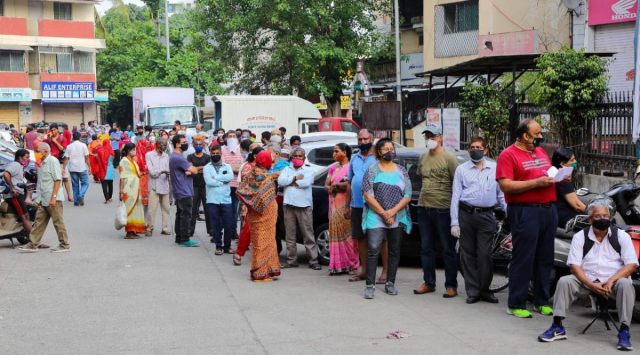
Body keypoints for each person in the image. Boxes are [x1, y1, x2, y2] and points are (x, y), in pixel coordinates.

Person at [538, 199, 638, 351]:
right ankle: (557, 326)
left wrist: (611, 280)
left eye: (605, 215)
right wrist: (591, 285)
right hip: (586, 280)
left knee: (626, 284)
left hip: (614, 281)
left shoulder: (622, 236)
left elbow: (631, 265)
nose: (602, 219)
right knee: (565, 281)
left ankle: (624, 331)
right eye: (597, 216)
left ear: (610, 218)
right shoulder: (580, 237)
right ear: (590, 219)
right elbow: (574, 266)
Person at [496, 118, 558, 318]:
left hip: (548, 210)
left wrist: (557, 176)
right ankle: (516, 303)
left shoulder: (539, 151)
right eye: (537, 133)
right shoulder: (508, 155)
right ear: (525, 136)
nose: (541, 137)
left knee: (545, 257)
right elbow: (506, 185)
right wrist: (536, 183)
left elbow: (545, 172)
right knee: (524, 258)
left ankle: (541, 300)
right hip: (525, 211)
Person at [450, 136, 507, 304]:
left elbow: (502, 195)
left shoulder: (495, 168)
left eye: (479, 147)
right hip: (466, 214)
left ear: (486, 150)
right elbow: (455, 196)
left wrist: (509, 212)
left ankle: (485, 289)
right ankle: (473, 291)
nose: (475, 150)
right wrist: (454, 222)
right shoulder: (461, 169)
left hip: (487, 216)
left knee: (485, 254)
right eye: (472, 147)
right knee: (467, 254)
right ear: (469, 150)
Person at [361, 138, 412, 299]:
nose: (390, 151)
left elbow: (408, 195)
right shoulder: (372, 170)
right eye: (385, 149)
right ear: (379, 152)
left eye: (392, 148)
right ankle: (370, 286)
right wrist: (384, 213)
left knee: (394, 251)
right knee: (373, 249)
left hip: (397, 215)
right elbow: (368, 195)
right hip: (375, 216)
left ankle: (391, 283)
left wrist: (392, 212)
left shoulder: (401, 170)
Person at [414, 124, 459, 298]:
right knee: (426, 248)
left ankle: (451, 285)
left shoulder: (449, 158)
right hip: (424, 207)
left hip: (443, 208)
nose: (430, 140)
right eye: (427, 137)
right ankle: (429, 282)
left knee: (448, 249)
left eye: (433, 136)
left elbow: (457, 184)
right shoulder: (423, 157)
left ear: (440, 137)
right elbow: (419, 178)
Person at [237, 150, 281, 281]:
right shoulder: (263, 176)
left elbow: (242, 191)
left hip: (257, 213)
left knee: (265, 240)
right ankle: (260, 272)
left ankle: (271, 268)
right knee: (262, 241)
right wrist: (275, 175)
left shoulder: (253, 173)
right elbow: (262, 186)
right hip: (264, 212)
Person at [18, 143, 70, 253]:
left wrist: (54, 197)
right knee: (39, 222)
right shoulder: (41, 163)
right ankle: (33, 244)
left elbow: (57, 180)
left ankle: (64, 245)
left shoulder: (53, 161)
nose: (36, 153)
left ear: (46, 151)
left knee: (58, 222)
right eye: (35, 151)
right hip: (43, 198)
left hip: (53, 198)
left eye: (38, 151)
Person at [348, 129, 384, 282]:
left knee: (381, 240)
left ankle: (385, 272)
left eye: (365, 139)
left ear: (372, 138)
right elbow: (351, 181)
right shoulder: (354, 158)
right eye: (360, 139)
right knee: (360, 238)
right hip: (357, 205)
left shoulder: (378, 157)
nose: (362, 142)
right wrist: (348, 204)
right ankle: (364, 270)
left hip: (375, 205)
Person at [278, 147, 320, 270]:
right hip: (289, 204)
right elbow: (281, 181)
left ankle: (313, 260)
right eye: (295, 156)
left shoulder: (308, 170)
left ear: (304, 157)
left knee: (308, 234)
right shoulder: (286, 169)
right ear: (291, 157)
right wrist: (295, 179)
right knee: (290, 235)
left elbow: (306, 183)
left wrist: (290, 182)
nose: (297, 158)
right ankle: (291, 260)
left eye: (300, 156)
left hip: (304, 206)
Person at [325, 143, 359, 275]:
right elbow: (326, 185)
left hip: (346, 205)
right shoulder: (333, 168)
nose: (333, 154)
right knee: (335, 234)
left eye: (336, 151)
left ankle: (352, 264)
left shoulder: (351, 167)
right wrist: (331, 187)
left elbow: (350, 184)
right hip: (333, 205)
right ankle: (337, 265)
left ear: (345, 152)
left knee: (348, 237)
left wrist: (336, 186)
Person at [234, 145, 262, 266]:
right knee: (248, 228)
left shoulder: (264, 167)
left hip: (263, 203)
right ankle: (239, 253)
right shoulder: (247, 167)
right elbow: (246, 186)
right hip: (250, 202)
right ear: (255, 156)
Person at [204, 145, 235, 255]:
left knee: (229, 224)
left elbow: (230, 177)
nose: (216, 155)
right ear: (211, 154)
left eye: (218, 153)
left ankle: (227, 246)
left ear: (221, 153)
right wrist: (222, 181)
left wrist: (215, 179)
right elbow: (209, 182)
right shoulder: (206, 167)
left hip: (226, 199)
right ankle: (218, 246)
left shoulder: (227, 166)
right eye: (213, 153)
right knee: (216, 225)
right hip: (212, 200)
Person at [170, 135, 199, 247]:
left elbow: (190, 170)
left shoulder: (175, 157)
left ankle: (179, 237)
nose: (186, 144)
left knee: (180, 214)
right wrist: (192, 169)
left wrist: (190, 170)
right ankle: (185, 238)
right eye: (183, 142)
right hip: (184, 190)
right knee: (186, 215)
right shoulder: (178, 158)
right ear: (177, 144)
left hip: (179, 190)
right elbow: (194, 171)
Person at [551, 147, 586, 228]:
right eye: (572, 160)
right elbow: (577, 206)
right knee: (608, 221)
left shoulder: (554, 173)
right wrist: (595, 212)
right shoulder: (562, 178)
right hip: (568, 219)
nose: (575, 162)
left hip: (559, 215)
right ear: (562, 163)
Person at [118, 143, 146, 239]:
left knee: (136, 209)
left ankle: (134, 230)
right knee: (129, 209)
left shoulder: (133, 161)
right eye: (133, 150)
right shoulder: (124, 161)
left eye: (135, 149)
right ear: (128, 150)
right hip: (128, 189)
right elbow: (122, 177)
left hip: (136, 188)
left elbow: (136, 174)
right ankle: (129, 232)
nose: (135, 151)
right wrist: (121, 191)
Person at [3, 149, 33, 235]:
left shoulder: (19, 166)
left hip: (19, 193)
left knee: (26, 216)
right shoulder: (15, 165)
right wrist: (12, 188)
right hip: (15, 195)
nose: (28, 159)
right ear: (20, 157)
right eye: (26, 157)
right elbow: (6, 174)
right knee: (25, 216)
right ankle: (34, 241)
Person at [145, 137, 171, 236]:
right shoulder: (149, 155)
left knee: (166, 208)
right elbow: (152, 172)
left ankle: (165, 228)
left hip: (165, 184)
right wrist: (162, 171)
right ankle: (149, 227)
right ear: (157, 144)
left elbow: (168, 168)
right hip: (154, 185)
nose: (164, 147)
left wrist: (168, 173)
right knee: (152, 209)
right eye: (162, 145)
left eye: (165, 145)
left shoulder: (166, 156)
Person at [221, 130, 244, 234]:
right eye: (229, 136)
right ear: (225, 138)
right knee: (224, 209)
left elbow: (244, 166)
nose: (232, 138)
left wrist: (232, 168)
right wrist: (235, 169)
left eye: (234, 136)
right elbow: (223, 166)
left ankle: (233, 231)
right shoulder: (222, 149)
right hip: (225, 184)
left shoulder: (241, 149)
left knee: (235, 209)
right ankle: (223, 231)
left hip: (237, 184)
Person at [187, 136, 210, 238]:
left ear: (204, 145)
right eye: (197, 144)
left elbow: (208, 169)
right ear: (193, 145)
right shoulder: (190, 156)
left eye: (201, 144)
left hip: (205, 185)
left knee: (208, 209)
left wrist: (196, 168)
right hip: (194, 185)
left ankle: (211, 231)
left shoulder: (208, 157)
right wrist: (201, 168)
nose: (199, 146)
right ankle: (190, 231)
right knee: (193, 209)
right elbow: (190, 169)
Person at [64, 132, 90, 206]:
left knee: (75, 185)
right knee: (85, 183)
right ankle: (81, 195)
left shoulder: (69, 146)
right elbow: (87, 158)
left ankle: (76, 201)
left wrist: (63, 168)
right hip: (82, 167)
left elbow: (66, 158)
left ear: (73, 137)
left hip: (72, 168)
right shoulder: (83, 145)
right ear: (80, 137)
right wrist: (89, 167)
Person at [97, 139, 115, 203]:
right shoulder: (111, 150)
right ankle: (110, 197)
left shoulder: (99, 150)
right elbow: (113, 159)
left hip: (102, 169)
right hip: (110, 168)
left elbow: (97, 159)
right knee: (110, 184)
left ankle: (106, 198)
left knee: (104, 184)